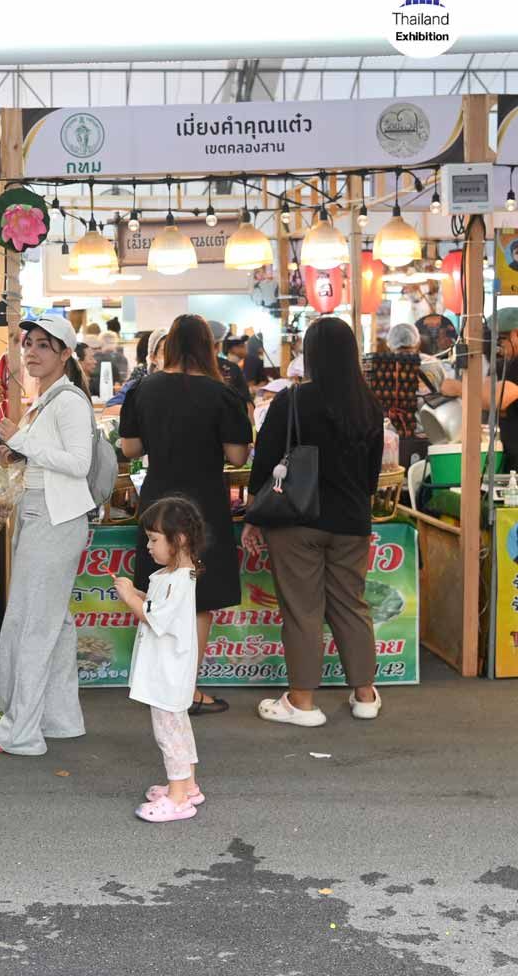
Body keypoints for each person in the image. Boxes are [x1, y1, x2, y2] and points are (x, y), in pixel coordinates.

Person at [243, 316, 384, 727]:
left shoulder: (292, 401)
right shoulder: (368, 405)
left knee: (302, 610)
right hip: (352, 520)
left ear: (312, 355)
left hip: (296, 520)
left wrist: (253, 516)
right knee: (351, 606)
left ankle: (302, 702)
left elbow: (265, 463)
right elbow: (372, 475)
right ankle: (365, 695)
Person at [119, 315, 252, 715]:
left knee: (158, 594)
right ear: (209, 347)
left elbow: (130, 449)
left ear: (171, 345)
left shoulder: (143, 389)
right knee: (198, 599)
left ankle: (157, 686)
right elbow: (238, 455)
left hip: (158, 501)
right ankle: (185, 690)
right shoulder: (222, 393)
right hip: (204, 505)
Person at [0, 316, 94, 756]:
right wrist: (13, 447)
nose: (32, 351)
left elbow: (79, 463)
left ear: (65, 354)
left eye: (45, 345)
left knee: (32, 624)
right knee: (52, 623)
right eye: (29, 343)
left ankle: (21, 731)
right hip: (42, 514)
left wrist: (22, 441)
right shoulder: (47, 399)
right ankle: (58, 719)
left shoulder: (68, 401)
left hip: (54, 517)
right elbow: (47, 457)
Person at [113, 497, 205, 823]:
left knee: (169, 734)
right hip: (170, 670)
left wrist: (129, 597)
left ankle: (177, 799)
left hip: (167, 673)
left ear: (178, 539)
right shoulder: (174, 576)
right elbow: (156, 606)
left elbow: (153, 617)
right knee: (178, 728)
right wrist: (137, 593)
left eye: (154, 539)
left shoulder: (178, 581)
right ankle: (187, 786)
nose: (148, 547)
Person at [442, 306, 518, 467]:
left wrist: (458, 388)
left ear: (515, 334)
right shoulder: (504, 363)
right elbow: (487, 393)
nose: (497, 347)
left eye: (500, 340)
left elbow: (496, 399)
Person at [386, 321, 448, 409]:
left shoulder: (383, 367)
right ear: (418, 342)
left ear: (389, 345)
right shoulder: (433, 363)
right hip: (429, 415)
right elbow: (446, 391)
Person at [208, 320, 254, 415]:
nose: (245, 348)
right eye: (241, 346)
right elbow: (247, 405)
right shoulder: (231, 368)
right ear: (218, 345)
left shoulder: (184, 368)